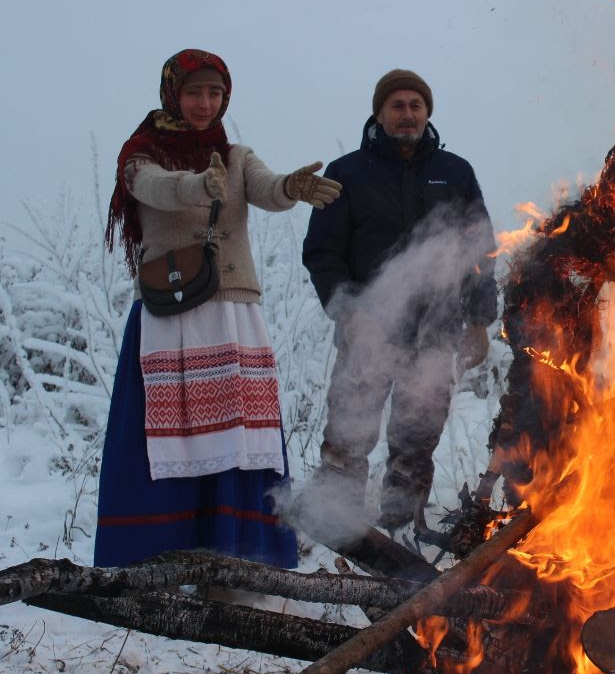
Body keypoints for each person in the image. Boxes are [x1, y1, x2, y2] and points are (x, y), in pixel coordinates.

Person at [96, 48, 341, 568]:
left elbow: (266, 188)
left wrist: (290, 187)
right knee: (161, 438)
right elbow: (153, 189)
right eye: (194, 92)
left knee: (240, 433)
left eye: (215, 93)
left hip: (233, 312)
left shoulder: (235, 156)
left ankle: (240, 555)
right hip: (170, 312)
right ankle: (151, 558)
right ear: (172, 94)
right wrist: (194, 184)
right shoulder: (139, 154)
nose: (205, 103)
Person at [303, 69, 497, 532]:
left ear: (427, 112)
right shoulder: (346, 173)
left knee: (416, 441)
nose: (407, 114)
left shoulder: (455, 173)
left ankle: (400, 530)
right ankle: (337, 526)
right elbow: (322, 253)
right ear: (379, 113)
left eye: (415, 105)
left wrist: (478, 322)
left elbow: (481, 253)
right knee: (349, 434)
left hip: (436, 331)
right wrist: (348, 311)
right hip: (368, 329)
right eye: (397, 106)